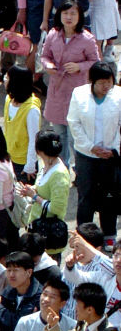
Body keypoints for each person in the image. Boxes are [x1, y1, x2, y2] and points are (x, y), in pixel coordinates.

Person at [40, 0, 100, 164]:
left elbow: (96, 61)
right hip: (57, 91)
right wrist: (48, 65)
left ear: (80, 16)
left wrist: (79, 66)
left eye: (73, 13)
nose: (69, 17)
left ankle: (78, 169)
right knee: (59, 134)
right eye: (65, 13)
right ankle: (62, 168)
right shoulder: (53, 35)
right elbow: (44, 56)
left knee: (76, 136)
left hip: (77, 91)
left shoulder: (86, 39)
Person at [67, 61, 121, 242]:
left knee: (109, 196)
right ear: (92, 81)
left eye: (109, 82)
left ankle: (109, 235)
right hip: (86, 155)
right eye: (102, 82)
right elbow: (74, 123)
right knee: (86, 196)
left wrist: (113, 148)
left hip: (110, 156)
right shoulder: (79, 94)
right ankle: (84, 236)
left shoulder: (118, 95)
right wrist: (91, 147)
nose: (106, 86)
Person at [16, 130, 71, 255]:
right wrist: (32, 189)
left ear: (39, 151)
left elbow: (57, 208)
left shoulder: (59, 174)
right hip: (36, 227)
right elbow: (42, 186)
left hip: (49, 234)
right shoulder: (46, 164)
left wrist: (34, 196)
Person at [3, 64, 41, 177]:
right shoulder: (8, 100)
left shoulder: (31, 110)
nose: (5, 79)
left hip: (24, 163)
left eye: (8, 78)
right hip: (9, 157)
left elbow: (33, 139)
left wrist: (30, 166)